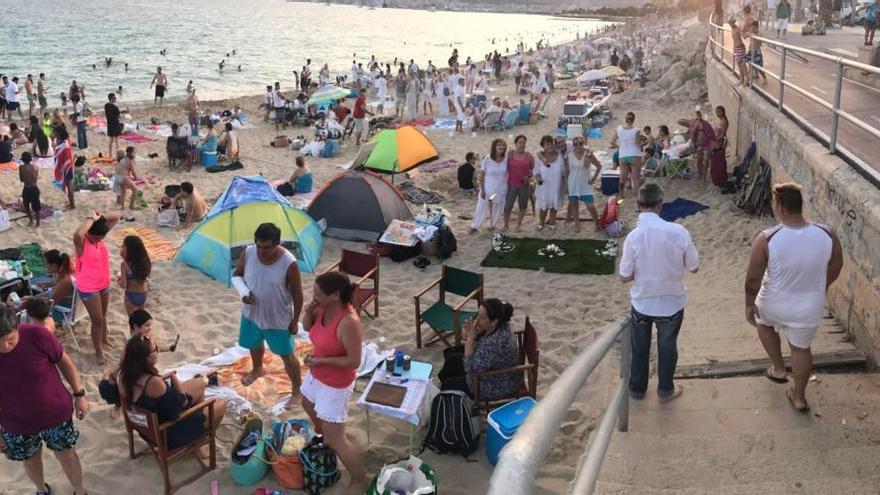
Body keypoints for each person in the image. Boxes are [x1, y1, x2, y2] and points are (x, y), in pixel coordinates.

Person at [745, 183, 843, 412]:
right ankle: (799, 398)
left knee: (763, 323)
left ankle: (779, 369)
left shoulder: (767, 238)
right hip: (809, 305)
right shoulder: (827, 235)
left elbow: (752, 280)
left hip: (773, 302)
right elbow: (837, 265)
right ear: (800, 206)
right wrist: (822, 285)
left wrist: (749, 304)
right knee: (801, 349)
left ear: (780, 207)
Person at [619, 183, 699, 402]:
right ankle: (665, 390)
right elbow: (693, 266)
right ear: (660, 205)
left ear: (638, 204)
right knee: (667, 347)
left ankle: (637, 390)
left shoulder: (634, 237)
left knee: (640, 348)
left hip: (643, 302)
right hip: (671, 302)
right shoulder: (679, 232)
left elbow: (624, 275)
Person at [0, 305, 90, 495]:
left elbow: (63, 361)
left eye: (10, 340)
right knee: (31, 459)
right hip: (16, 423)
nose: (4, 347)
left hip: (55, 413)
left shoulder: (38, 335)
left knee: (67, 454)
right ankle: (42, 490)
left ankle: (80, 491)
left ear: (18, 327)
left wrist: (79, 394)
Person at [300, 272, 367, 491]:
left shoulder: (349, 322)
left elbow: (354, 360)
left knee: (336, 440)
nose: (314, 296)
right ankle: (330, 434)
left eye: (318, 294)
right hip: (318, 372)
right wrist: (308, 312)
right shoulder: (321, 308)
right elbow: (308, 328)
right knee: (306, 402)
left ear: (335, 295)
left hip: (335, 382)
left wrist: (321, 361)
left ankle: (359, 478)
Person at [233, 223, 304, 404]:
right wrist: (243, 292)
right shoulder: (248, 253)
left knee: (287, 355)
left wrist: (295, 320)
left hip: (278, 318)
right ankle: (257, 368)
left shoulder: (289, 263)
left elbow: (297, 293)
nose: (262, 251)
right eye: (259, 246)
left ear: (277, 244)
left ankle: (297, 389)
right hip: (251, 314)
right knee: (254, 344)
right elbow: (237, 275)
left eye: (267, 247)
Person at [117, 334, 226, 450]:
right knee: (221, 403)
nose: (158, 351)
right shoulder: (153, 383)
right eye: (155, 349)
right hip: (167, 433)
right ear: (145, 358)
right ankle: (199, 440)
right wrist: (174, 380)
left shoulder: (123, 377)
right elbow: (178, 408)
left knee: (200, 382)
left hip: (146, 429)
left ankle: (198, 422)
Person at [438, 299, 521, 400]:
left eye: (481, 317)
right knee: (452, 358)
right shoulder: (498, 325)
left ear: (494, 321)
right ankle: (444, 390)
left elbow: (469, 368)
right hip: (490, 367)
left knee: (447, 384)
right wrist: (468, 334)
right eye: (478, 315)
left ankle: (445, 393)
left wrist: (470, 338)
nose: (477, 320)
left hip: (497, 382)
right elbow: (481, 344)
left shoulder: (495, 343)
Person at [73, 211, 120, 364]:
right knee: (97, 320)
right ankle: (98, 350)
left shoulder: (98, 237)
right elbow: (77, 235)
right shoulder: (82, 243)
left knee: (104, 315)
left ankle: (104, 338)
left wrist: (99, 218)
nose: (99, 240)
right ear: (88, 233)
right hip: (88, 287)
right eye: (96, 238)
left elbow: (116, 216)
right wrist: (90, 218)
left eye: (102, 238)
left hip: (103, 283)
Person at [469, 139, 508, 233]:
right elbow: (482, 174)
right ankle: (474, 225)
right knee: (481, 206)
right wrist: (482, 189)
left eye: (503, 145)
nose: (501, 147)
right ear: (494, 146)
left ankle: (492, 224)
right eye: (499, 145)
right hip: (488, 188)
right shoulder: (487, 158)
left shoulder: (506, 158)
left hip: (501, 188)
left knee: (498, 207)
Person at [564, 136, 602, 232]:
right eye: (576, 144)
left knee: (590, 206)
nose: (578, 146)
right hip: (572, 184)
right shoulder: (570, 155)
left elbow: (599, 166)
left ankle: (597, 223)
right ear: (573, 145)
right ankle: (577, 224)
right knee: (574, 205)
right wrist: (565, 184)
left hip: (585, 185)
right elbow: (567, 171)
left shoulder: (588, 155)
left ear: (583, 143)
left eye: (580, 143)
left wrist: (593, 179)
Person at [610, 112, 644, 200]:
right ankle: (637, 196)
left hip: (623, 156)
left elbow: (612, 142)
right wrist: (644, 143)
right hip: (634, 155)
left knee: (622, 178)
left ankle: (621, 195)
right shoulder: (636, 130)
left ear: (626, 118)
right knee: (635, 179)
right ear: (633, 119)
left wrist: (619, 147)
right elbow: (638, 144)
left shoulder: (619, 129)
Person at [503, 135, 534, 232]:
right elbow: (503, 168)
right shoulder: (510, 154)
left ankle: (518, 224)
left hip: (524, 185)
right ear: (516, 144)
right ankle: (506, 225)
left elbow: (532, 170)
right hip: (511, 184)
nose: (522, 144)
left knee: (523, 205)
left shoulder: (529, 156)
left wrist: (528, 177)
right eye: (520, 142)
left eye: (523, 142)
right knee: (508, 206)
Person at [533, 135, 564, 230]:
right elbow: (535, 171)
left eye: (551, 143)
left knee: (554, 205)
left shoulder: (559, 156)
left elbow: (563, 172)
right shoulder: (539, 157)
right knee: (543, 206)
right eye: (547, 144)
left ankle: (552, 222)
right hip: (544, 186)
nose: (549, 146)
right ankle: (541, 223)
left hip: (556, 185)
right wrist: (538, 179)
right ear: (543, 146)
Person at [117, 236, 151, 315]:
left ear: (128, 249)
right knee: (140, 320)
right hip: (143, 293)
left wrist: (118, 279)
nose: (122, 247)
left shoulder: (125, 265)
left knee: (132, 321)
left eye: (123, 246)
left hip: (131, 294)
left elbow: (123, 285)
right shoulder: (145, 262)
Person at [680, 108, 716, 184]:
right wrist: (689, 122)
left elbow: (711, 134)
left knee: (706, 159)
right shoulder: (693, 123)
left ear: (701, 114)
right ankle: (700, 174)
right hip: (698, 144)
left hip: (706, 143)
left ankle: (704, 175)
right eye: (697, 114)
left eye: (699, 113)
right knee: (700, 159)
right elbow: (680, 122)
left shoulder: (706, 124)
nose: (698, 115)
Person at [113, 146, 140, 220]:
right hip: (123, 177)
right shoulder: (130, 160)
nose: (135, 154)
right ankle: (131, 206)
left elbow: (120, 168)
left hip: (117, 177)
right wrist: (136, 178)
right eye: (134, 152)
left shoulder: (123, 158)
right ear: (129, 152)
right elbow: (133, 172)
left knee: (123, 192)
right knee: (135, 190)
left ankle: (122, 206)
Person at [52, 125, 75, 209]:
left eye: (55, 132)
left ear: (58, 133)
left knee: (69, 186)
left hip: (67, 166)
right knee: (68, 185)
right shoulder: (65, 140)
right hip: (68, 165)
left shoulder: (64, 144)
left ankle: (72, 205)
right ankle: (71, 203)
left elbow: (60, 153)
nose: (54, 133)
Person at [19, 151, 41, 227]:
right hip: (35, 188)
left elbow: (21, 179)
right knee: (36, 207)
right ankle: (38, 222)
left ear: (23, 160)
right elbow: (36, 178)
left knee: (26, 206)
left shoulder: (21, 167)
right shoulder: (35, 167)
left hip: (27, 188)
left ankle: (31, 220)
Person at [710, 105, 729, 188]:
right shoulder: (719, 121)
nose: (717, 114)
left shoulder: (724, 121)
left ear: (722, 112)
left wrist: (716, 140)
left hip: (720, 143)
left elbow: (723, 134)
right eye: (716, 112)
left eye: (718, 112)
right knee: (716, 162)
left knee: (720, 161)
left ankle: (721, 178)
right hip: (716, 142)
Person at [729, 19, 749, 86]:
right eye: (729, 23)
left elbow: (744, 36)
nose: (730, 24)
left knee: (742, 64)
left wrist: (748, 33)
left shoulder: (737, 29)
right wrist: (734, 50)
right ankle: (741, 79)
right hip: (736, 48)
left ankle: (746, 79)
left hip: (740, 48)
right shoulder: (732, 29)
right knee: (739, 64)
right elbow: (734, 40)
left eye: (731, 23)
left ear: (733, 22)